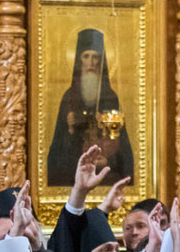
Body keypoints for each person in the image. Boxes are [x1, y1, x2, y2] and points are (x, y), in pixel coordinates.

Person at [46, 28, 133, 186]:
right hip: (74, 178)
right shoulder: (69, 98)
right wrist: (70, 130)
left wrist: (109, 160)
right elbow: (57, 154)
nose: (91, 62)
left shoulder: (111, 98)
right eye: (87, 56)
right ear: (80, 61)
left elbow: (124, 150)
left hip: (106, 177)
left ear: (101, 61)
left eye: (95, 57)